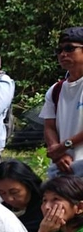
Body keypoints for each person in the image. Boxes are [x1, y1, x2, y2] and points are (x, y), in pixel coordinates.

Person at [41, 27, 83, 177]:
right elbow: (49, 126)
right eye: (59, 50)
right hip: (62, 166)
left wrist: (64, 145)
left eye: (69, 48)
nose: (63, 54)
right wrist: (56, 152)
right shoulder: (56, 90)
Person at [0, 160, 44, 232]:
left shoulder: (45, 208)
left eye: (14, 192)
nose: (9, 199)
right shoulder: (2, 210)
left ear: (29, 185)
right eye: (2, 193)